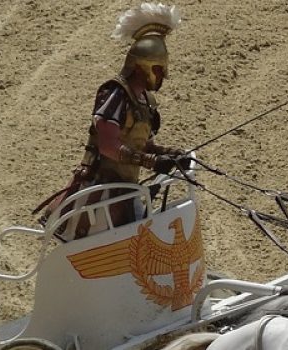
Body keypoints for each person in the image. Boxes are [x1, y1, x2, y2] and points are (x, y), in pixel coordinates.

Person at [36, 3, 188, 241]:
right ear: (141, 67)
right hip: (100, 192)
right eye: (158, 69)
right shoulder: (116, 94)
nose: (162, 76)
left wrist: (169, 155)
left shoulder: (145, 101)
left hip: (125, 191)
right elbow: (108, 146)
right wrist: (151, 161)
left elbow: (143, 144)